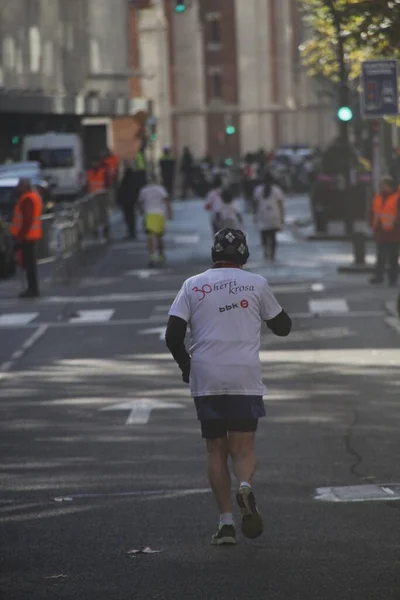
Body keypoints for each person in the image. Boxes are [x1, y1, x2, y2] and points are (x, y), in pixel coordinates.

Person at [165, 228, 292, 545]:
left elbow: (172, 335)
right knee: (244, 449)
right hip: (244, 376)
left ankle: (225, 525)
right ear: (244, 255)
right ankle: (246, 486)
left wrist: (186, 366)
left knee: (215, 449)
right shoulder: (257, 283)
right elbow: (284, 327)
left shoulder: (192, 285)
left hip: (206, 376)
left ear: (214, 254)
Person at [10, 178, 43, 298]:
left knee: (30, 265)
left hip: (27, 237)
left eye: (20, 185)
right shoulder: (31, 197)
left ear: (25, 186)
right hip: (29, 236)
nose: (17, 188)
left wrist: (20, 236)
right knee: (29, 264)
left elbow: (27, 220)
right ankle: (32, 288)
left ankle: (32, 289)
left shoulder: (28, 199)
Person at [369, 175, 400, 286]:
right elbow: (373, 212)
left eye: (384, 185)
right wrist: (372, 225)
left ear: (390, 186)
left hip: (394, 233)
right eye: (381, 185)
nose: (382, 187)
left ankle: (392, 278)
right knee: (381, 256)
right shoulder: (378, 197)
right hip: (381, 232)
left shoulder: (396, 198)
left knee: (393, 257)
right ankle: (379, 276)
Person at [138, 176, 172, 267]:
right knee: (160, 236)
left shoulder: (144, 190)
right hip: (160, 214)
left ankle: (152, 257)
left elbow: (140, 202)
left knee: (150, 237)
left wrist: (141, 212)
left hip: (149, 214)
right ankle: (161, 255)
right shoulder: (161, 189)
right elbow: (167, 201)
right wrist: (169, 213)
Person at [254, 172, 285, 261]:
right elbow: (280, 205)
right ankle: (272, 254)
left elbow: (255, 204)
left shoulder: (258, 190)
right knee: (273, 236)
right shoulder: (277, 190)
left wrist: (255, 216)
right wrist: (282, 218)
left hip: (262, 215)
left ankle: (265, 252)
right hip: (274, 215)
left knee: (264, 234)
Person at [117, 162, 137, 239]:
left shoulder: (125, 180)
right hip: (131, 201)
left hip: (126, 202)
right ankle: (132, 232)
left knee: (128, 217)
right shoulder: (133, 179)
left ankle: (131, 232)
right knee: (131, 216)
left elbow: (121, 191)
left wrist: (119, 200)